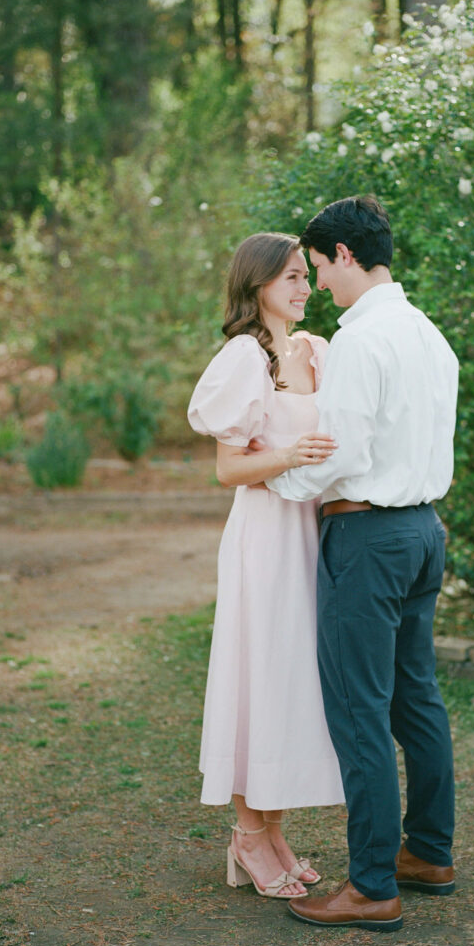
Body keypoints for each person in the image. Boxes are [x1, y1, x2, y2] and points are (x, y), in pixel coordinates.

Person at [266, 195, 460, 932]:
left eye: (318, 267)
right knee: (416, 699)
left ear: (344, 255)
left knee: (359, 712)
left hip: (370, 539)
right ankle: (429, 854)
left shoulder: (360, 341)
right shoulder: (428, 335)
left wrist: (276, 479)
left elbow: (337, 453)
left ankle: (374, 884)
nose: (317, 284)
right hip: (422, 533)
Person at [187, 232, 345, 901]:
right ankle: (248, 835)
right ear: (256, 285)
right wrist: (290, 456)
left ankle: (272, 830)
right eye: (289, 277)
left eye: (307, 275)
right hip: (264, 541)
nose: (304, 287)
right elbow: (228, 470)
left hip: (312, 537)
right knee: (261, 675)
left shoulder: (315, 351)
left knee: (293, 682)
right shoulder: (244, 358)